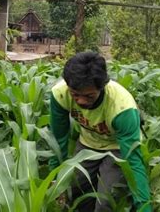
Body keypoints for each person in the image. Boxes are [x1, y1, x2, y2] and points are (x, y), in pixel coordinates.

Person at [49, 52, 151, 211]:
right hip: (86, 144)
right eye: (75, 94)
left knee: (105, 202)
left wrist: (144, 207)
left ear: (102, 86)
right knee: (73, 191)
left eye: (89, 96)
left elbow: (133, 161)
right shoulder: (60, 94)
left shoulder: (121, 108)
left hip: (117, 148)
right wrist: (56, 177)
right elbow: (59, 138)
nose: (81, 101)